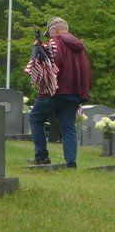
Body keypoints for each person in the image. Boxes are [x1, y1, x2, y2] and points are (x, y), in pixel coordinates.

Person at [28, 17, 92, 168]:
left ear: (54, 29)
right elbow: (87, 70)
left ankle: (42, 156)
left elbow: (52, 65)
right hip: (74, 92)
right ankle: (71, 163)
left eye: (49, 32)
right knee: (68, 128)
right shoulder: (80, 46)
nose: (49, 36)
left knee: (35, 118)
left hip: (54, 91)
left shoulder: (55, 41)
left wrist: (39, 55)